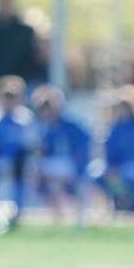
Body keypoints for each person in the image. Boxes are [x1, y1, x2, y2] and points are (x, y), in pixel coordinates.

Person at [0, 75, 39, 230]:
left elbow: (30, 144)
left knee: (20, 177)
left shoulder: (25, 118)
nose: (9, 101)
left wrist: (16, 159)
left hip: (18, 161)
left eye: (12, 97)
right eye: (6, 97)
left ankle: (16, 215)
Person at [89, 85, 134, 212]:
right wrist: (112, 165)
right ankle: (115, 201)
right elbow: (108, 149)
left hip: (133, 164)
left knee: (128, 174)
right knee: (95, 174)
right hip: (114, 165)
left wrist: (121, 166)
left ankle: (130, 204)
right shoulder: (114, 127)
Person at [32, 85, 91, 223]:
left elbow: (82, 148)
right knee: (41, 175)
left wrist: (79, 167)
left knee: (54, 178)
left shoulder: (71, 125)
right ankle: (57, 215)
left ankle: (65, 216)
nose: (46, 112)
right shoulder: (42, 127)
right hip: (50, 165)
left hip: (70, 165)